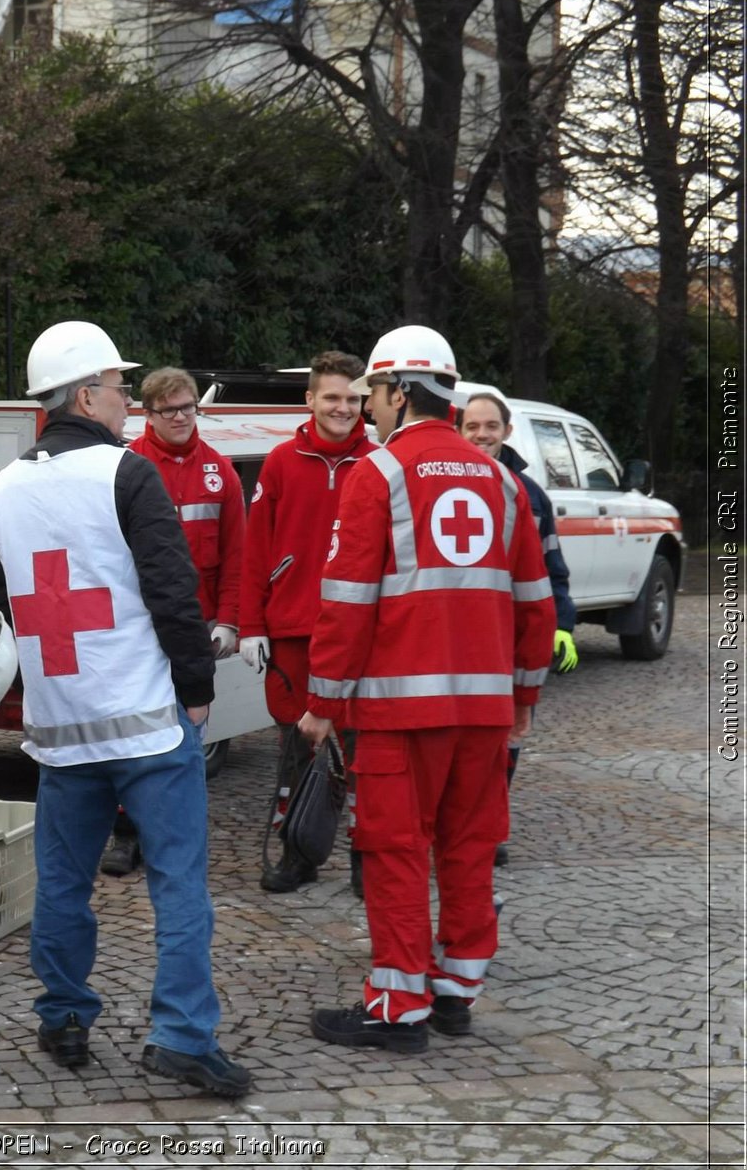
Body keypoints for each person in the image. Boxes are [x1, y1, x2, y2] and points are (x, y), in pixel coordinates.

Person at [0, 320, 252, 1098]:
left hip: (62, 730)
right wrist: (197, 690)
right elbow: (172, 593)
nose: (128, 398)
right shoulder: (129, 476)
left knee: (62, 884)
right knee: (179, 886)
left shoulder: (0, 489)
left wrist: (41, 693)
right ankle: (183, 1037)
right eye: (120, 386)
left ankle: (62, 1015)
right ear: (85, 393)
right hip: (146, 721)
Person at [299, 325, 553, 1053]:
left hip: (398, 713)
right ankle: (456, 991)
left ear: (401, 391)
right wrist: (524, 698)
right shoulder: (502, 480)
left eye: (375, 393)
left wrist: (321, 702)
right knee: (471, 847)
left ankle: (397, 1004)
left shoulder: (376, 475)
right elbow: (535, 602)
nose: (370, 408)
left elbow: (346, 602)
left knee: (394, 848)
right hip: (484, 709)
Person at [236, 351, 377, 894]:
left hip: (359, 636)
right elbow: (256, 552)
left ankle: (369, 857)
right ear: (310, 400)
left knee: (363, 758)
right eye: (332, 397)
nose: (343, 408)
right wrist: (252, 626)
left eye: (352, 398)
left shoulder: (379, 462)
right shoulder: (279, 462)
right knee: (296, 756)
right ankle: (299, 853)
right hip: (293, 632)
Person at [97, 367, 245, 874]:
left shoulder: (220, 472)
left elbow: (235, 558)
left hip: (195, 630)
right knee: (130, 733)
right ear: (147, 413)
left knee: (183, 740)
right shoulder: (126, 466)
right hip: (135, 632)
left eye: (187, 407)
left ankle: (168, 838)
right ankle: (126, 834)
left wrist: (229, 620)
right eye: (168, 410)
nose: (180, 417)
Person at [459, 390, 578, 866]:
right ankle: (458, 826)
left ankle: (488, 827)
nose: (482, 435)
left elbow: (553, 569)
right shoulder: (439, 485)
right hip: (461, 638)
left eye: (490, 426)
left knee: (506, 738)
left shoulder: (531, 495)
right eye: (472, 426)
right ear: (459, 430)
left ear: (507, 432)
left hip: (510, 639)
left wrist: (562, 625)